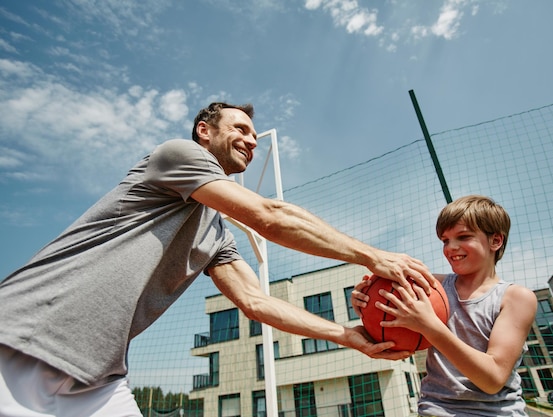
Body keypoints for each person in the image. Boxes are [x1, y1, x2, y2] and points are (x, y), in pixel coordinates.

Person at [0, 102, 437, 417]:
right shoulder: (177, 155)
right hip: (24, 336)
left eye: (253, 133)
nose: (251, 139)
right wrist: (373, 256)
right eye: (240, 128)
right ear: (204, 131)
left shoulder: (215, 233)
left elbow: (257, 303)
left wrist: (347, 336)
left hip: (94, 378)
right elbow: (269, 216)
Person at [352, 195, 537, 416]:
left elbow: (493, 379)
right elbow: (396, 338)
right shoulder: (432, 285)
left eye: (463, 237)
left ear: (495, 241)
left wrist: (430, 327)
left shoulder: (515, 297)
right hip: (435, 409)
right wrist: (367, 304)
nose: (451, 247)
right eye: (445, 240)